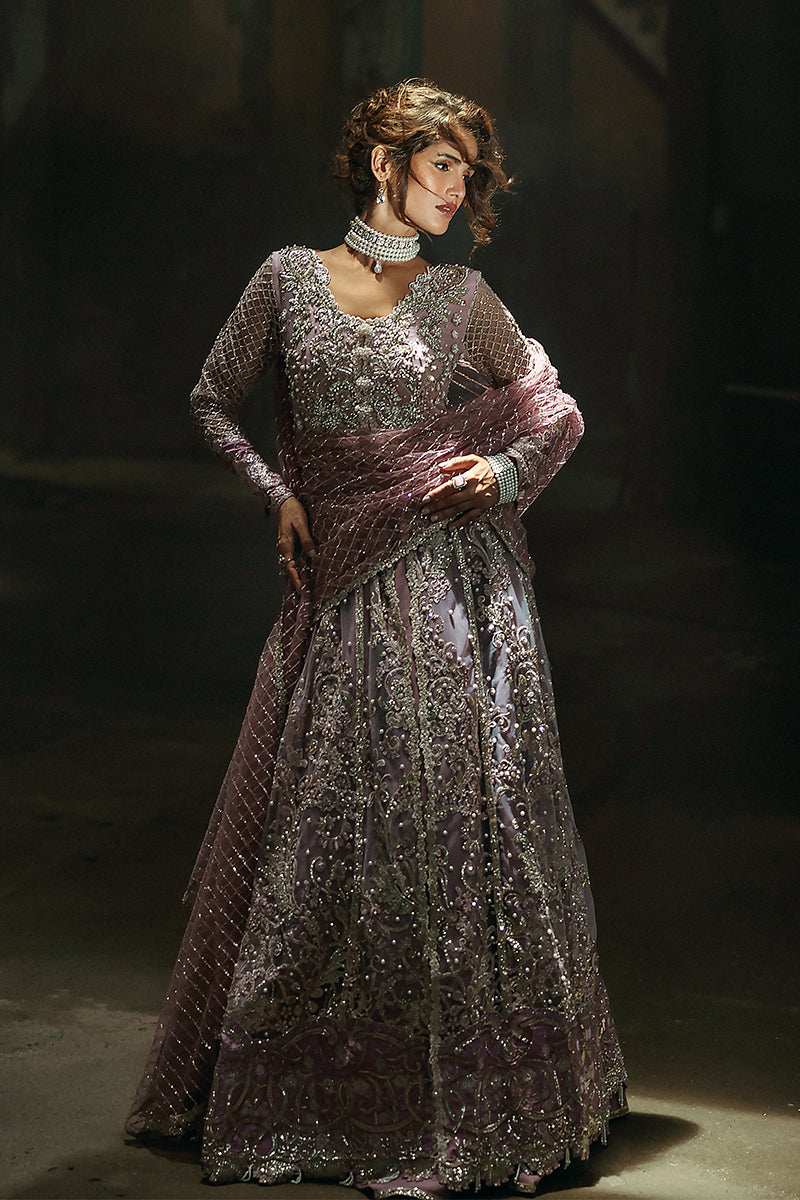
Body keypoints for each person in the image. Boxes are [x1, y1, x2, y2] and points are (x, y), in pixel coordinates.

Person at [126, 79, 627, 1195]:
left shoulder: (460, 295)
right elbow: (211, 399)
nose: (459, 189)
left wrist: (500, 472)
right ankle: (321, 1090)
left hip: (450, 593)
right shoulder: (285, 280)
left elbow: (552, 404)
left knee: (451, 822)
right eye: (442, 165)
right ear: (385, 162)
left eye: (468, 172)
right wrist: (278, 492)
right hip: (341, 591)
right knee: (327, 826)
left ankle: (469, 1094)